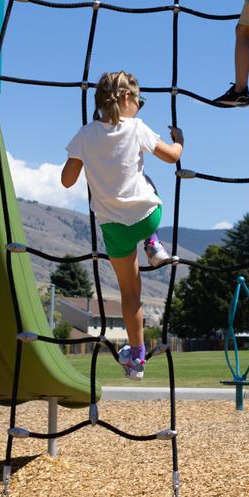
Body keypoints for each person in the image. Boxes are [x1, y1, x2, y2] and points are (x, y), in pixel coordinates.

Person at [60, 71, 185, 379]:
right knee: (149, 182)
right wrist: (179, 141)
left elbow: (66, 181)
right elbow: (172, 157)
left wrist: (89, 162)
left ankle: (137, 360)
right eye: (139, 101)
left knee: (131, 295)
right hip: (147, 216)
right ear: (127, 98)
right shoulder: (137, 128)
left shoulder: (85, 135)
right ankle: (153, 243)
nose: (139, 107)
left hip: (114, 228)